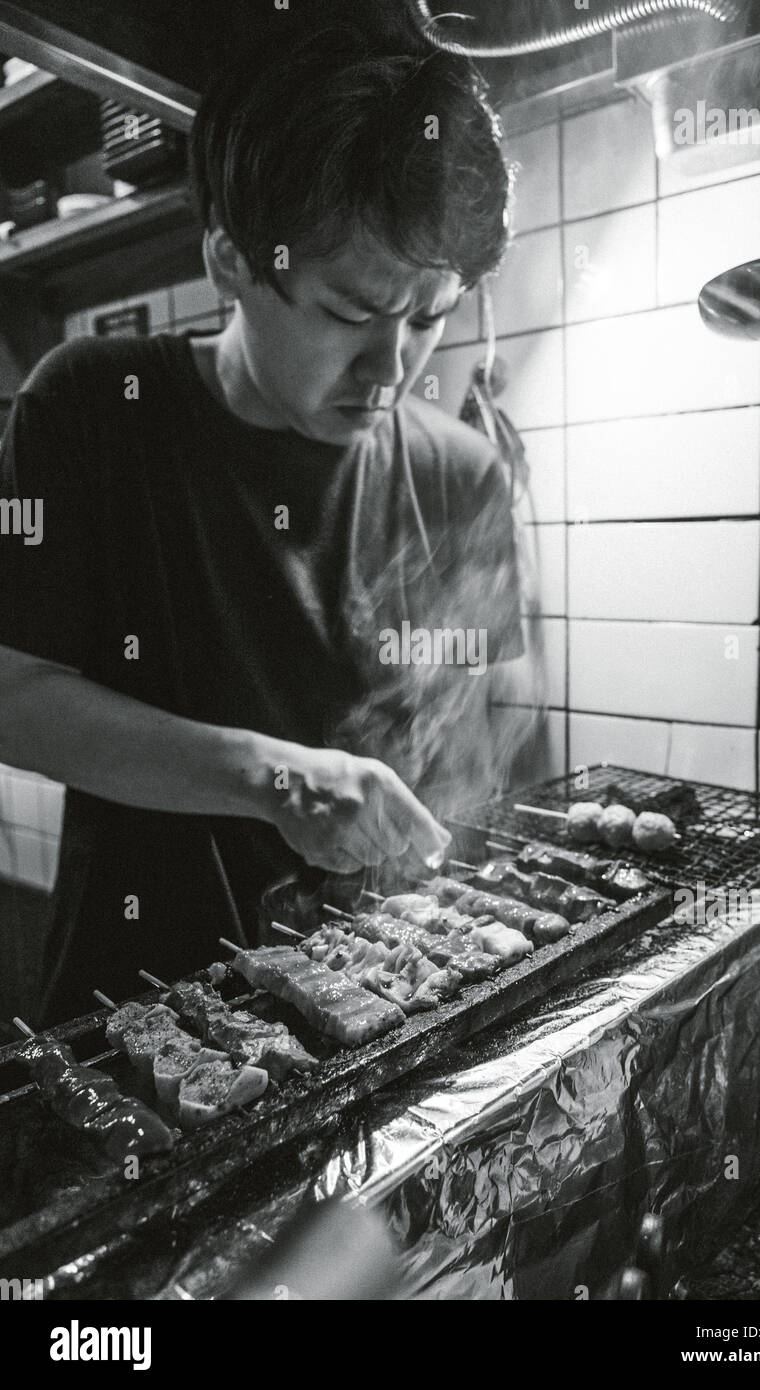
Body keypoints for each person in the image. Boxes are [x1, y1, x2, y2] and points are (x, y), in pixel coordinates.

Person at [0, 15, 523, 1023]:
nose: (394, 368)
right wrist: (272, 777)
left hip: (390, 1011)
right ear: (231, 258)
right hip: (143, 1024)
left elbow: (492, 717)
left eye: (429, 315)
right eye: (346, 311)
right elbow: (12, 694)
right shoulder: (93, 406)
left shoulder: (463, 473)